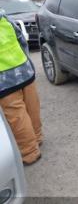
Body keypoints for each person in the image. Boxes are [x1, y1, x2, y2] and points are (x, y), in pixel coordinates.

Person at [0, 11, 42, 165]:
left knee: (17, 117)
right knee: (32, 108)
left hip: (5, 80)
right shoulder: (4, 19)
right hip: (24, 71)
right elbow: (21, 41)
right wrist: (25, 63)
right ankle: (37, 137)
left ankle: (30, 153)